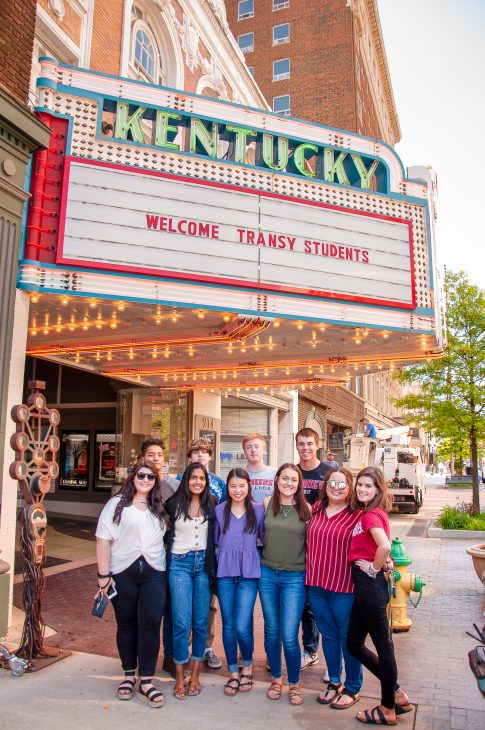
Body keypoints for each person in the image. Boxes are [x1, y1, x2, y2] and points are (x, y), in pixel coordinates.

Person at [95, 458, 169, 708]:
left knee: (150, 625)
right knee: (126, 625)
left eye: (151, 477)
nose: (146, 480)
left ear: (156, 481)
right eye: (141, 476)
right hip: (122, 572)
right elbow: (103, 539)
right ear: (133, 477)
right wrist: (103, 576)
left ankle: (146, 680)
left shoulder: (159, 505)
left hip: (154, 572)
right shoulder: (117, 504)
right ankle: (128, 675)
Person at [347, 467, 413, 725]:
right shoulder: (371, 513)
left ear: (378, 490)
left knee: (384, 650)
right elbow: (382, 547)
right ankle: (396, 693)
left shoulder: (370, 516)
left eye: (368, 486)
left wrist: (374, 567)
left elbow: (384, 546)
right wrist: (384, 562)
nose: (362, 489)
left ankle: (387, 708)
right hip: (367, 586)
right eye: (360, 485)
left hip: (369, 585)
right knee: (354, 643)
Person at [306, 468, 363, 709]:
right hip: (316, 584)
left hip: (343, 587)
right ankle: (334, 681)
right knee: (328, 636)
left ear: (349, 488)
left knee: (347, 638)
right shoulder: (316, 509)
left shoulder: (357, 515)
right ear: (325, 485)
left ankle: (353, 686)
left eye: (342, 484)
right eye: (332, 483)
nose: (336, 488)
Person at [259, 463, 312, 706]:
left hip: (294, 578)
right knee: (271, 630)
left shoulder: (307, 510)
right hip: (267, 574)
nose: (289, 483)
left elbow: (314, 546)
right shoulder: (266, 503)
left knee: (290, 635)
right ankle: (276, 679)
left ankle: (294, 681)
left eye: (294, 480)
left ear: (299, 483)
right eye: (285, 478)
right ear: (277, 479)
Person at [165, 462, 217, 700]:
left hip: (203, 567)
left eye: (202, 478)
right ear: (186, 479)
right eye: (193, 477)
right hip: (180, 564)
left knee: (200, 623)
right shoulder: (174, 504)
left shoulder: (212, 504)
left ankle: (195, 676)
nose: (198, 481)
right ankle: (179, 676)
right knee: (181, 622)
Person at [177, 438, 226, 670]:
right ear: (189, 457)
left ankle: (207, 647)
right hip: (183, 554)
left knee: (209, 605)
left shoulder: (219, 485)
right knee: (183, 605)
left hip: (209, 554)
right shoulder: (178, 482)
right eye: (194, 452)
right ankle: (185, 647)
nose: (199, 456)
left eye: (203, 452)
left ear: (210, 456)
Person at [214, 468, 265, 696]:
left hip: (248, 575)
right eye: (233, 486)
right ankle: (233, 672)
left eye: (242, 486)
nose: (237, 490)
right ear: (227, 487)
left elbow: (263, 538)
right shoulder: (218, 511)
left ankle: (248, 664)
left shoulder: (258, 510)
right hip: (225, 573)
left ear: (248, 487)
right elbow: (216, 541)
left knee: (242, 624)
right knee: (228, 624)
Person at [140, 437, 179, 677]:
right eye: (151, 455)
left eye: (159, 455)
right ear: (142, 458)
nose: (155, 459)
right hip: (146, 557)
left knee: (172, 609)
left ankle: (171, 657)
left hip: (171, 555)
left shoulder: (174, 487)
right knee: (149, 611)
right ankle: (144, 660)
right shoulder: (137, 485)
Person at [295, 427, 333, 670]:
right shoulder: (293, 472)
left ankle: (320, 652)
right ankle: (309, 649)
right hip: (296, 544)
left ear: (317, 445)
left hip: (321, 545)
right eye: (301, 443)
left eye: (309, 443)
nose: (305, 447)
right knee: (302, 603)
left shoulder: (329, 473)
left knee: (320, 603)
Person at [242, 433, 276, 503]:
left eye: (256, 446)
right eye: (249, 447)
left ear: (263, 450)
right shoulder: (240, 475)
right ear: (244, 452)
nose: (253, 450)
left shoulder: (275, 474)